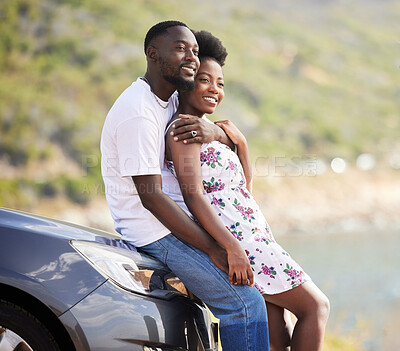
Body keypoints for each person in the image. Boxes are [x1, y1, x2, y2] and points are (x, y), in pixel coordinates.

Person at [100, 21, 269, 351]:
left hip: (181, 221)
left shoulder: (169, 100)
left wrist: (219, 134)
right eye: (180, 49)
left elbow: (208, 125)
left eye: (194, 50)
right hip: (156, 232)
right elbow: (152, 199)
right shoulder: (139, 111)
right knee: (245, 305)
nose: (191, 57)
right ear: (153, 54)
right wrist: (217, 247)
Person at [164, 30, 330, 351]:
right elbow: (193, 195)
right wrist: (231, 248)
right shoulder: (183, 128)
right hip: (241, 245)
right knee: (315, 307)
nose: (214, 89)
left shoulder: (214, 129)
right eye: (204, 80)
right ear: (186, 82)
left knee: (276, 329)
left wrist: (239, 141)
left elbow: (244, 187)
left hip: (256, 237)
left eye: (220, 83)